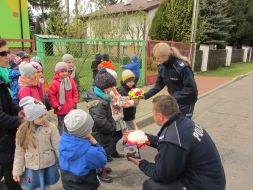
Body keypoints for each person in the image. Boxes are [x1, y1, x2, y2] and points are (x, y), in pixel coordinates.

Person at [128, 95, 226, 190]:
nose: (153, 116)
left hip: (203, 186)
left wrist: (140, 163)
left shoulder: (174, 139)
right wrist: (144, 136)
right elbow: (165, 141)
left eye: (153, 113)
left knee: (151, 185)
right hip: (214, 180)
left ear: (160, 116)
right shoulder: (183, 122)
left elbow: (162, 175)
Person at [13, 96, 60, 190]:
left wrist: (64, 161)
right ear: (31, 118)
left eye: (45, 114)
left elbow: (57, 146)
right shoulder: (22, 132)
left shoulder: (51, 127)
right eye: (40, 117)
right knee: (34, 186)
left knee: (48, 186)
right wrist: (17, 171)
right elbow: (19, 152)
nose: (44, 118)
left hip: (48, 164)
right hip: (32, 167)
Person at [143, 43, 198, 119]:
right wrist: (145, 95)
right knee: (172, 123)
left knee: (183, 125)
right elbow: (158, 85)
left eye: (159, 58)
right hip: (174, 100)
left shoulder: (182, 68)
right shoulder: (161, 67)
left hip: (186, 102)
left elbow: (191, 89)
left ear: (168, 55)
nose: (157, 60)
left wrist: (170, 98)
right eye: (155, 58)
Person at [59, 109, 107, 190]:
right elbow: (102, 160)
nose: (91, 130)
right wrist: (96, 144)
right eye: (90, 128)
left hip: (68, 183)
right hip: (85, 185)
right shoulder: (89, 152)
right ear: (84, 132)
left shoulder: (63, 141)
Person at [84, 68, 116, 183]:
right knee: (101, 152)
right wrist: (111, 127)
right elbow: (99, 120)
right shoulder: (97, 102)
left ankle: (101, 168)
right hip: (99, 132)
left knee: (104, 150)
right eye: (110, 87)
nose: (112, 89)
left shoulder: (101, 96)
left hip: (102, 130)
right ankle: (101, 172)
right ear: (104, 87)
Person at [0, 39, 22, 190]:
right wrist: (20, 121)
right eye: (3, 53)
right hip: (3, 138)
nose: (8, 56)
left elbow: (7, 100)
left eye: (8, 52)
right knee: (10, 171)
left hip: (6, 136)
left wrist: (17, 109)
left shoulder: (3, 76)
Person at [106, 68, 135, 158]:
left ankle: (113, 153)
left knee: (118, 135)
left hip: (119, 116)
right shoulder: (110, 91)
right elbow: (117, 103)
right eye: (114, 79)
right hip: (116, 117)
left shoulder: (114, 89)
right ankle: (108, 153)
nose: (115, 80)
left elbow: (119, 98)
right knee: (119, 135)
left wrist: (129, 98)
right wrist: (132, 102)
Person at [48, 62, 78, 134]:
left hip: (70, 106)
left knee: (71, 122)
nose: (64, 73)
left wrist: (74, 101)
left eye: (65, 71)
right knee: (62, 123)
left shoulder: (71, 81)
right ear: (57, 72)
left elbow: (75, 91)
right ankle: (62, 136)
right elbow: (51, 95)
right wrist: (56, 105)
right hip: (60, 107)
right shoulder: (55, 83)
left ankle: (70, 135)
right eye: (62, 71)